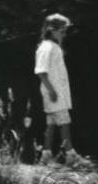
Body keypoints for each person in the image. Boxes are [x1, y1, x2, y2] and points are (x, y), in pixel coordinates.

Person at [34, 13, 86, 168]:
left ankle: (46, 155)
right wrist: (52, 91)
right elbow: (41, 71)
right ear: (51, 29)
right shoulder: (47, 47)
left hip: (56, 92)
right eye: (62, 31)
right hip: (54, 93)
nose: (64, 34)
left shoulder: (53, 47)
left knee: (51, 123)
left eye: (65, 31)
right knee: (64, 123)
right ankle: (71, 155)